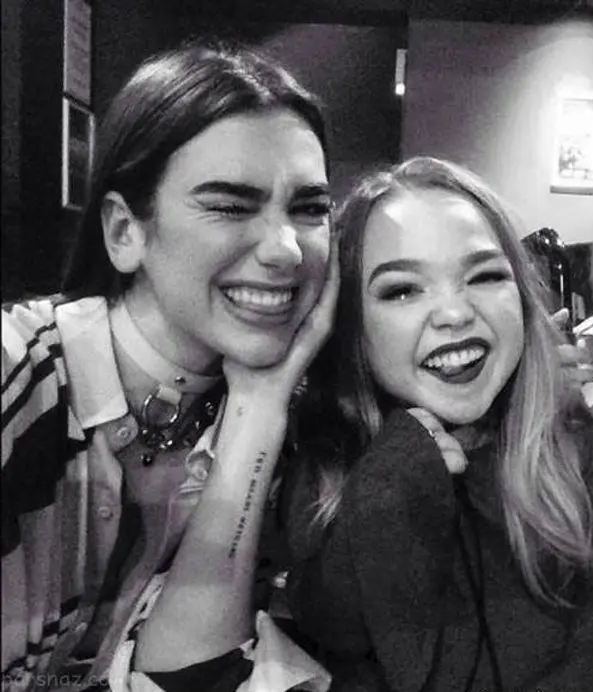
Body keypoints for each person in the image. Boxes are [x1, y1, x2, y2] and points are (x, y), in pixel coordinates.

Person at [2, 38, 336, 691]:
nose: (287, 250)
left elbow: (184, 678)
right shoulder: (19, 373)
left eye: (310, 209)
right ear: (125, 232)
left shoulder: (287, 428)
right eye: (230, 205)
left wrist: (259, 407)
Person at [283, 157, 593, 691]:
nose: (454, 313)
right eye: (402, 290)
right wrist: (393, 484)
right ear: (352, 328)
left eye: (486, 276)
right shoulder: (327, 469)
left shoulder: (575, 448)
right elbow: (337, 627)